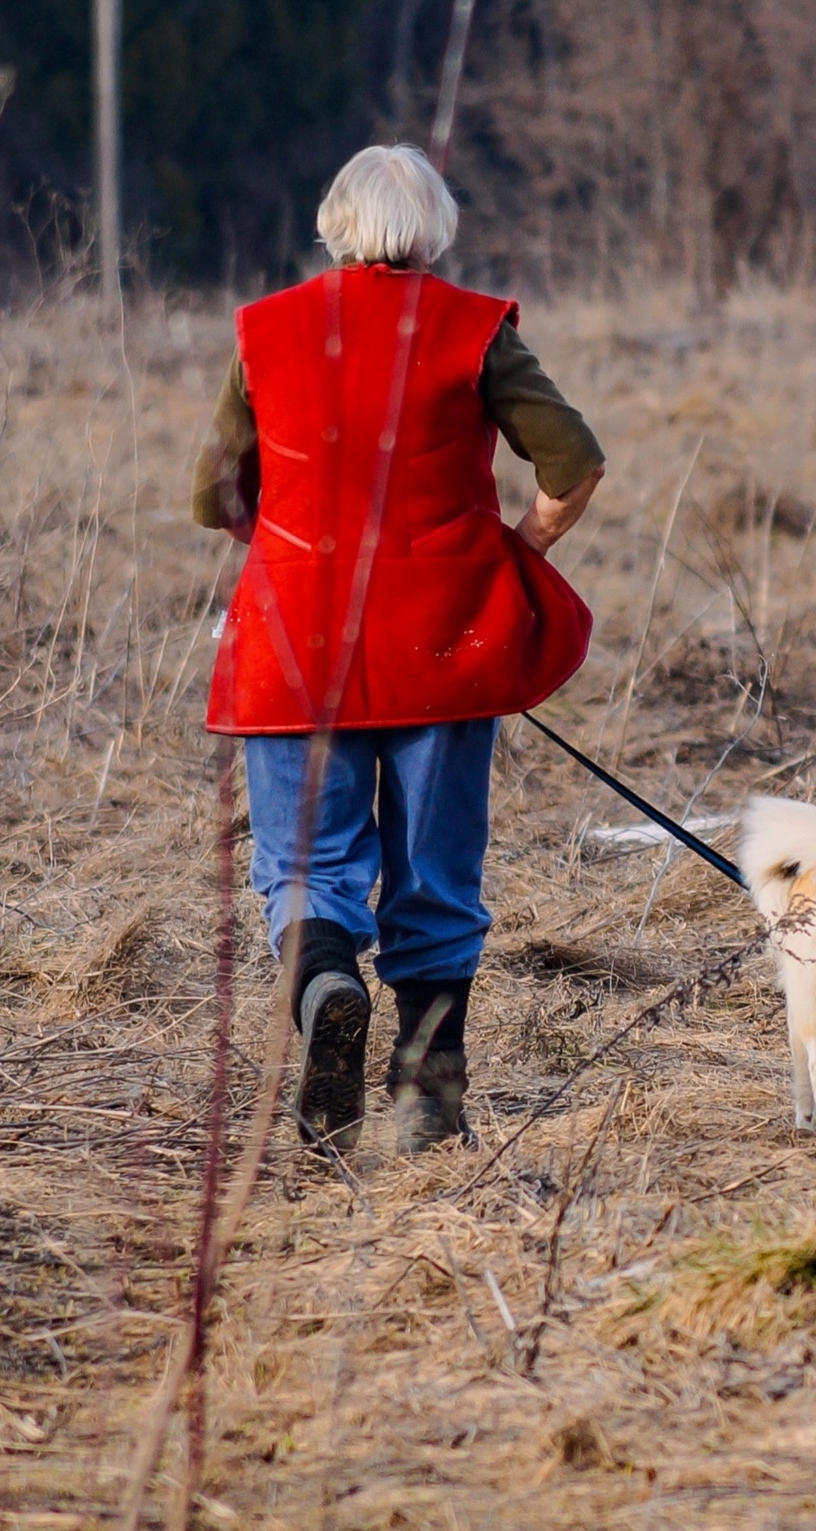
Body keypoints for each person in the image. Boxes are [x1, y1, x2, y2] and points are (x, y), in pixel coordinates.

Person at [190, 144, 604, 1156]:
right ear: (436, 228)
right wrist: (522, 547)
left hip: (295, 647)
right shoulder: (474, 329)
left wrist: (297, 553)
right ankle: (426, 1101)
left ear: (335, 221)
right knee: (433, 872)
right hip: (443, 636)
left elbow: (216, 496)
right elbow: (573, 459)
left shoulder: (262, 331)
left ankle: (327, 981)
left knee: (305, 865)